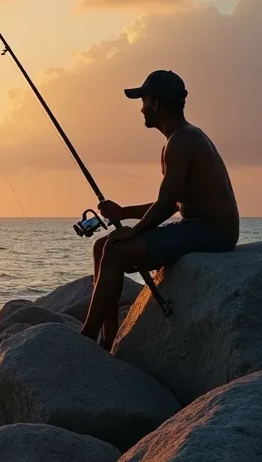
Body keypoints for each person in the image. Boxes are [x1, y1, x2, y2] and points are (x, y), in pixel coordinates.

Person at [81, 69, 240, 350]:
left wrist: (134, 232)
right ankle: (107, 339)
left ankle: (86, 339)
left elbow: (166, 206)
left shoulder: (182, 141)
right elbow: (173, 201)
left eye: (143, 100)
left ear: (155, 103)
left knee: (116, 250)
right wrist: (122, 213)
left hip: (212, 233)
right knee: (102, 247)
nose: (141, 108)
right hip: (198, 227)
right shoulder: (181, 138)